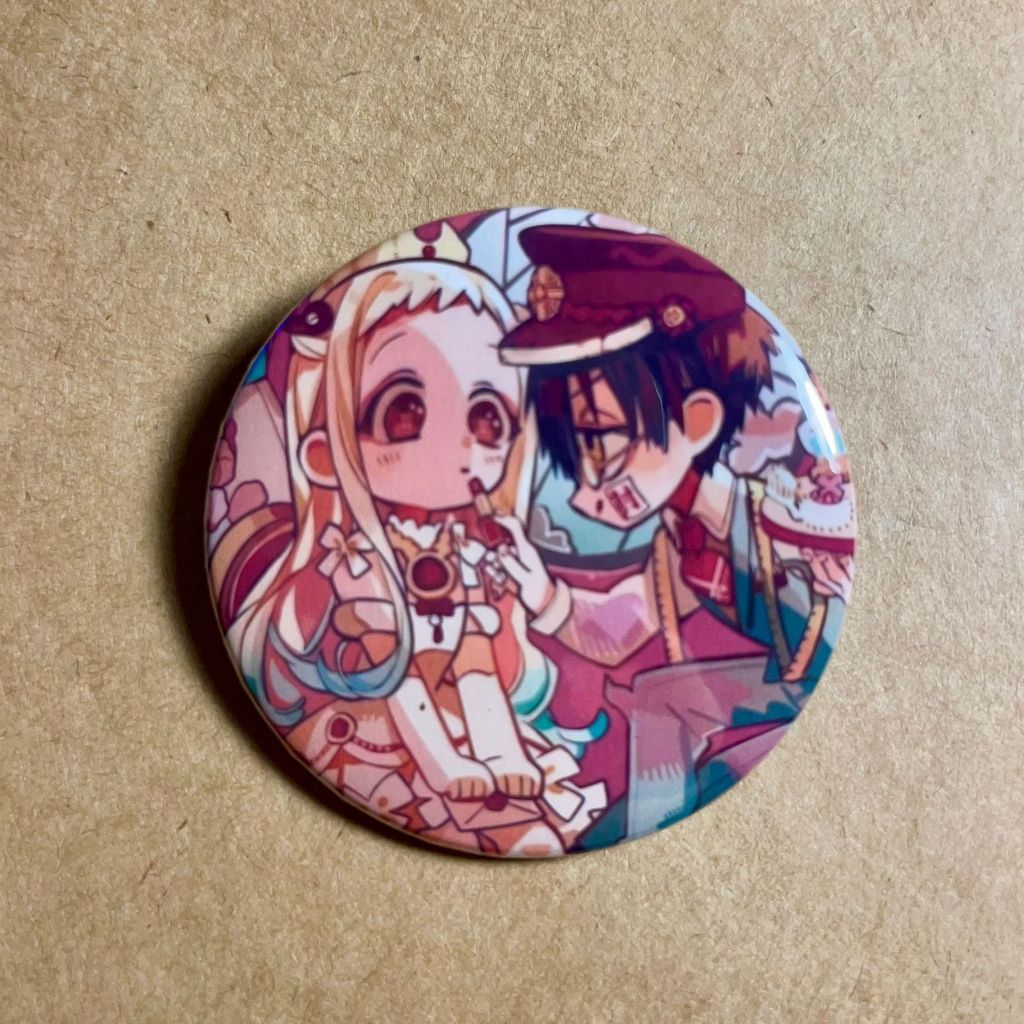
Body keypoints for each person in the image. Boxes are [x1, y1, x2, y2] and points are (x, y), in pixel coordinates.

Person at [219, 257, 605, 855]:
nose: (460, 443)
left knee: (476, 648)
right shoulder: (349, 548)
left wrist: (526, 602)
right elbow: (336, 658)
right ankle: (448, 759)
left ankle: (497, 749)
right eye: (405, 412)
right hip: (374, 727)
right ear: (327, 452)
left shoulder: (476, 540)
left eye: (487, 417)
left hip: (458, 685)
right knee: (390, 638)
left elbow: (492, 664)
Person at [491, 225, 854, 844]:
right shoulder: (678, 532)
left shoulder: (789, 515)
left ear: (698, 420)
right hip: (762, 704)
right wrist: (542, 595)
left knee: (658, 707)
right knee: (651, 706)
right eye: (573, 450)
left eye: (601, 438)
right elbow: (629, 627)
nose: (586, 483)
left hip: (804, 715)